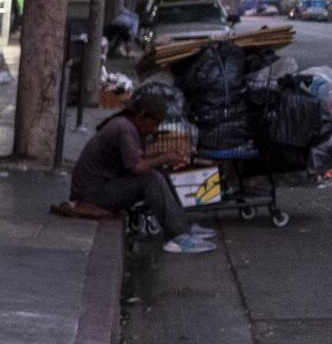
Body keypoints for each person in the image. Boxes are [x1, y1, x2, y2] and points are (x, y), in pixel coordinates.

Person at [55, 95, 216, 253]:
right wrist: (163, 158)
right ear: (141, 117)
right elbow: (137, 167)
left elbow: (138, 159)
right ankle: (177, 235)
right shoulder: (125, 129)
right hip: (92, 194)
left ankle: (182, 225)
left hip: (101, 187)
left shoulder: (129, 127)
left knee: (160, 174)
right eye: (154, 123)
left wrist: (164, 159)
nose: (154, 129)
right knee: (151, 179)